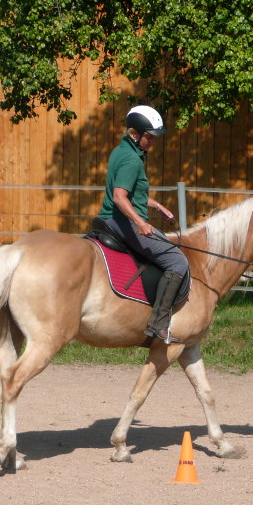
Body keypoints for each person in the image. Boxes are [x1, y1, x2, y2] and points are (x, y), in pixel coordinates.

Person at [98, 105, 189, 343]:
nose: (152, 142)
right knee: (177, 261)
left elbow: (132, 193)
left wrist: (155, 205)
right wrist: (140, 222)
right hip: (122, 221)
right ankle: (158, 324)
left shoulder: (121, 151)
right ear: (134, 134)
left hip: (113, 218)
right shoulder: (132, 161)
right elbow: (119, 197)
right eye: (149, 137)